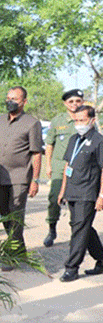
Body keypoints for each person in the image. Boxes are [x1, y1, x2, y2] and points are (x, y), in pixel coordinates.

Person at [0, 86, 43, 263]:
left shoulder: (32, 123)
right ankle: (20, 250)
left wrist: (35, 180)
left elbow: (36, 153)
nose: (10, 101)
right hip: (1, 176)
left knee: (16, 214)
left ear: (24, 102)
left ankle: (11, 255)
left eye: (15, 99)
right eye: (8, 97)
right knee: (5, 215)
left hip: (21, 177)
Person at [56, 105, 103, 282]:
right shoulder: (74, 139)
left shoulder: (98, 141)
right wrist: (62, 190)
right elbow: (68, 166)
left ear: (92, 120)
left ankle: (71, 268)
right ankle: (102, 258)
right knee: (81, 228)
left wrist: (101, 196)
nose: (79, 124)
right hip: (72, 191)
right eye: (76, 120)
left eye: (82, 120)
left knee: (79, 230)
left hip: (88, 192)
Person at [44, 89, 84, 247]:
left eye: (78, 101)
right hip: (60, 166)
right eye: (71, 101)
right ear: (65, 103)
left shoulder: (86, 118)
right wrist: (48, 165)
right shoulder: (57, 121)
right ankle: (51, 229)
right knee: (54, 198)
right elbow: (49, 144)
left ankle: (76, 233)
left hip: (80, 168)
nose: (75, 104)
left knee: (78, 202)